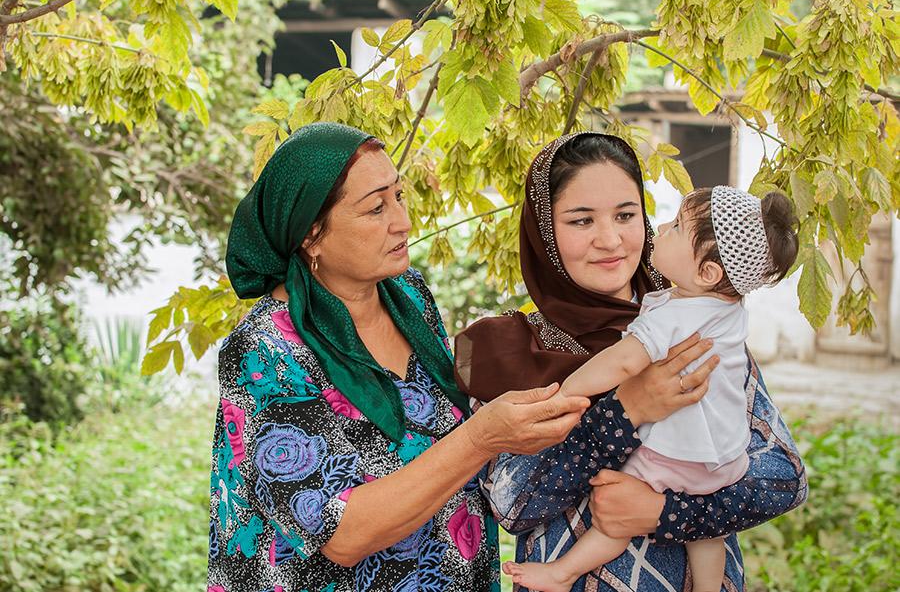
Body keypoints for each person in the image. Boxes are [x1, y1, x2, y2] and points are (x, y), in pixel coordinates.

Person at [207, 122, 699, 591]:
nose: (403, 221)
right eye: (376, 209)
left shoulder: (408, 298)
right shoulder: (263, 354)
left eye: (398, 196)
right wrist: (482, 439)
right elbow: (343, 533)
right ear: (311, 233)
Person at [456, 132, 808, 591]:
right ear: (544, 231)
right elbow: (513, 502)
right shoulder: (506, 351)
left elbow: (784, 477)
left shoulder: (695, 321)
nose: (611, 239)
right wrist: (627, 410)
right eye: (581, 221)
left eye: (626, 215)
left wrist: (666, 513)